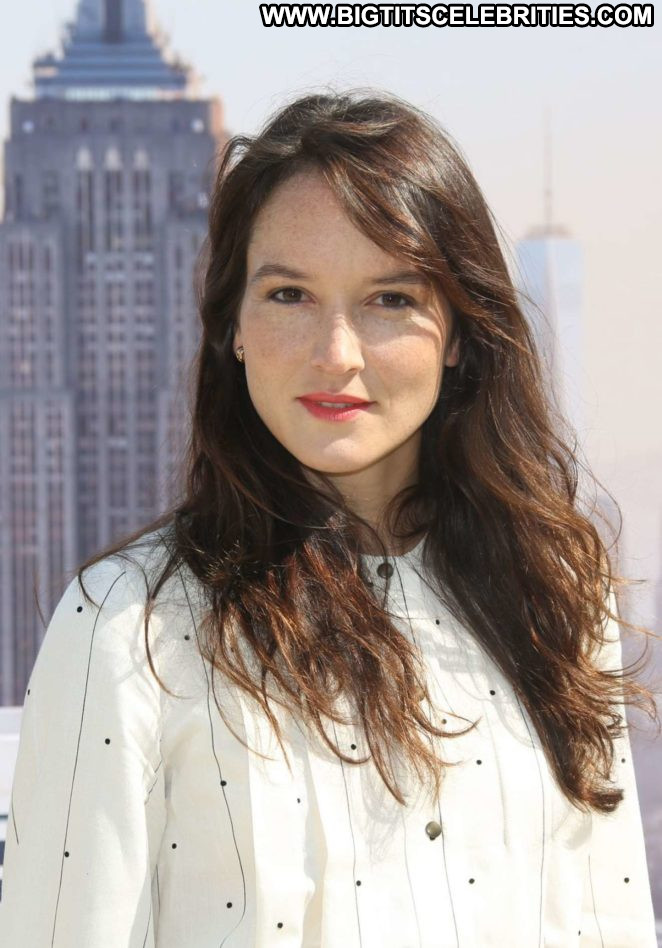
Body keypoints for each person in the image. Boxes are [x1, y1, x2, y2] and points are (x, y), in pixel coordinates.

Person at [0, 89, 659, 947]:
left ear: (459, 332)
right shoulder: (129, 630)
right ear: (232, 326)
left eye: (390, 299)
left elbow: (611, 917)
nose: (336, 354)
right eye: (289, 295)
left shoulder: (557, 587)